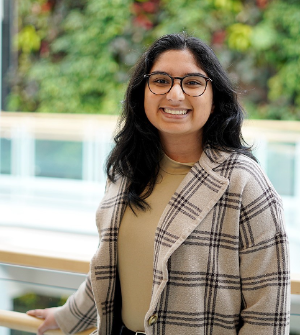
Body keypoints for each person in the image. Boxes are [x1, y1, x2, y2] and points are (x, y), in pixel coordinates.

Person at [27, 33, 290, 335]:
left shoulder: (244, 183)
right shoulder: (126, 171)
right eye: (161, 81)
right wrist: (66, 316)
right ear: (143, 93)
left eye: (192, 82)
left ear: (215, 100)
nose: (175, 95)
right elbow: (112, 270)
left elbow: (266, 314)